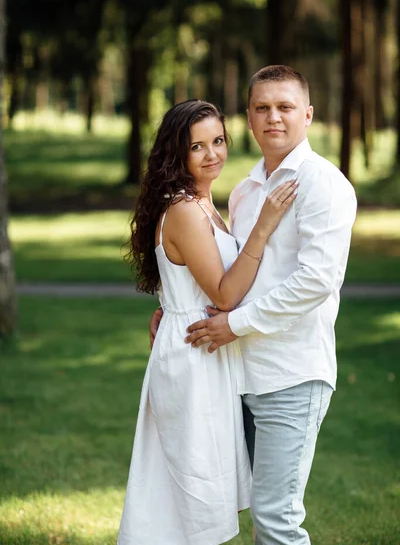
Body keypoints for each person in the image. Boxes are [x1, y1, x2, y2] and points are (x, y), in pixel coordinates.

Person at [152, 65, 357, 544]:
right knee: (232, 509)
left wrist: (235, 325)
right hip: (235, 375)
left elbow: (315, 282)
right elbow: (228, 271)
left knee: (276, 518)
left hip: (291, 373)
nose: (274, 118)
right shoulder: (244, 192)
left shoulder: (323, 184)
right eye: (262, 108)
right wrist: (174, 306)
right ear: (248, 118)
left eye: (285, 107)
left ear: (307, 114)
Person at [117, 99, 297, 545]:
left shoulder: (204, 204)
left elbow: (191, 282)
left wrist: (170, 305)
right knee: (187, 494)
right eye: (197, 146)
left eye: (218, 141)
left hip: (205, 353)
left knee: (193, 495)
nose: (212, 154)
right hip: (193, 361)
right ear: (175, 153)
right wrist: (263, 226)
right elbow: (223, 292)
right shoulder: (183, 209)